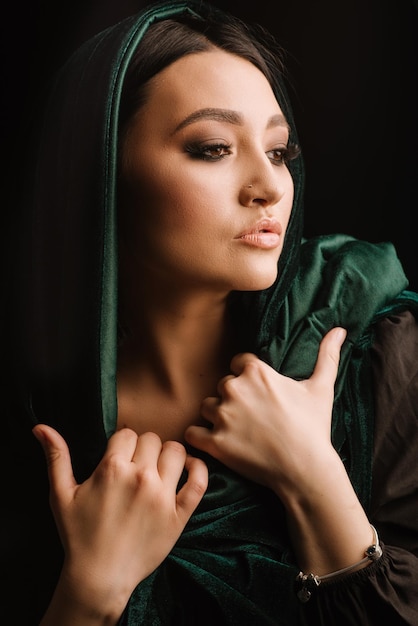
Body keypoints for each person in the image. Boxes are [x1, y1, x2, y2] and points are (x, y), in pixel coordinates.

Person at [2, 0, 417, 624]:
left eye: (279, 151)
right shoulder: (30, 417)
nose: (270, 187)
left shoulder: (363, 343)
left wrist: (312, 476)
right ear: (100, 174)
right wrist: (88, 594)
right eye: (213, 148)